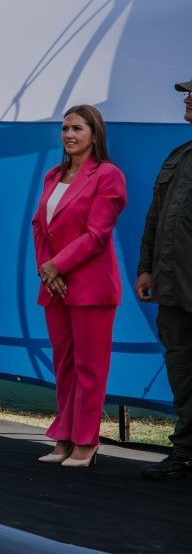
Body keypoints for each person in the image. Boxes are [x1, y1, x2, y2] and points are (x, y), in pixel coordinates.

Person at [31, 105, 126, 469]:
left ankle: (87, 441)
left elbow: (97, 234)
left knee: (90, 367)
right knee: (65, 365)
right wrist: (47, 270)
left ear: (94, 134)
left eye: (77, 129)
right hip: (54, 286)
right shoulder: (53, 175)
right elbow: (40, 226)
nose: (69, 135)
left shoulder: (108, 176)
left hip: (91, 288)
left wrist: (58, 265)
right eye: (65, 128)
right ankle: (66, 436)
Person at [136, 79, 192, 480]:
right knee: (182, 370)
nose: (187, 99)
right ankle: (186, 452)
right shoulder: (179, 155)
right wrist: (146, 268)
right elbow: (154, 220)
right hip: (173, 289)